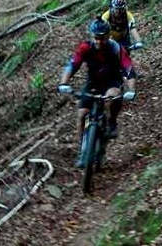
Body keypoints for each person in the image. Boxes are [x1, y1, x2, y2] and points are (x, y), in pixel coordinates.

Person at [58, 18, 137, 167]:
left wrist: (131, 89)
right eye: (96, 38)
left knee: (113, 96)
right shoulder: (85, 48)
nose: (99, 42)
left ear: (108, 35)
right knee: (81, 115)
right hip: (93, 83)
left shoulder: (116, 48)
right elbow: (72, 65)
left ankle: (112, 121)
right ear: (91, 36)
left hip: (112, 81)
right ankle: (83, 151)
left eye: (102, 38)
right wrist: (64, 83)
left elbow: (129, 69)